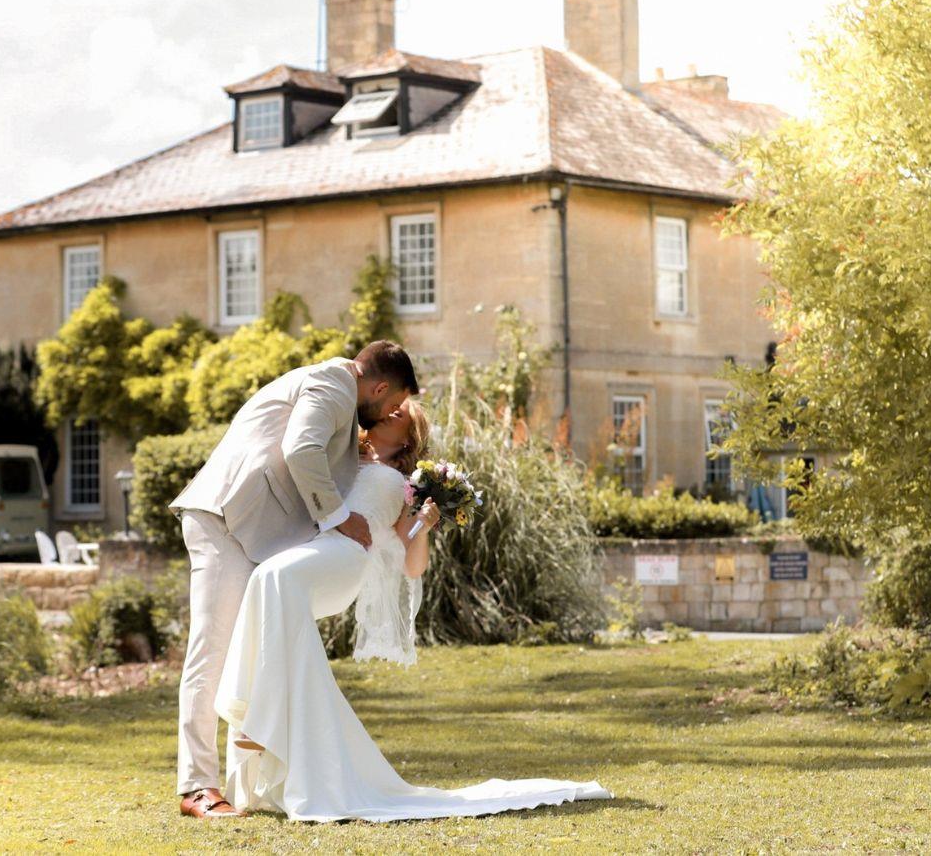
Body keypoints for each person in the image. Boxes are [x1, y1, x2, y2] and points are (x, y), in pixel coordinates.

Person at [215, 400, 614, 821]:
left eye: (401, 413)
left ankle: (260, 719)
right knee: (265, 579)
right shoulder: (343, 455)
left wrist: (425, 519)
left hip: (348, 558)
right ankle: (258, 720)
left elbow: (412, 564)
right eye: (389, 407)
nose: (390, 412)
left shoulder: (406, 486)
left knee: (277, 577)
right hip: (316, 549)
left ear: (409, 437)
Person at [169, 340, 419, 819]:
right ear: (380, 386)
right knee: (213, 650)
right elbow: (301, 448)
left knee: (243, 647)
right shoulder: (333, 383)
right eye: (391, 404)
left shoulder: (340, 394)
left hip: (251, 529)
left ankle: (240, 777)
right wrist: (339, 517)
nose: (389, 413)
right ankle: (198, 787)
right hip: (224, 519)